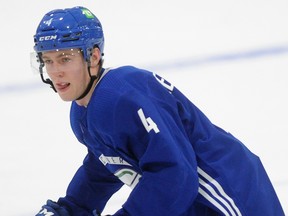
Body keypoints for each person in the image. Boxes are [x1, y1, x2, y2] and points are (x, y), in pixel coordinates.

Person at [31, 6, 284, 216]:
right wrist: (73, 207)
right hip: (192, 200)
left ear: (93, 56)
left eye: (65, 58)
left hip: (229, 193)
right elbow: (106, 166)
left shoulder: (121, 96)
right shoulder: (83, 110)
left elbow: (175, 174)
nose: (55, 72)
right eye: (48, 60)